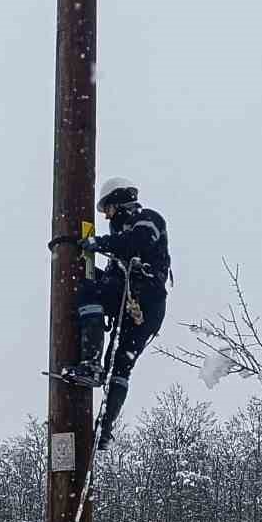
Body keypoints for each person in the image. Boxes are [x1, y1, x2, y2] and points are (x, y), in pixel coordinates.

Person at [64, 178, 171, 450]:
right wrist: (75, 257)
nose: (106, 216)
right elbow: (114, 270)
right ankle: (104, 429)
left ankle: (91, 363)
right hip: (136, 301)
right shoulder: (119, 249)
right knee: (120, 366)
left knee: (91, 293)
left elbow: (137, 243)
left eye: (108, 210)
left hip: (144, 297)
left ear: (119, 203)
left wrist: (97, 243)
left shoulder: (147, 220)